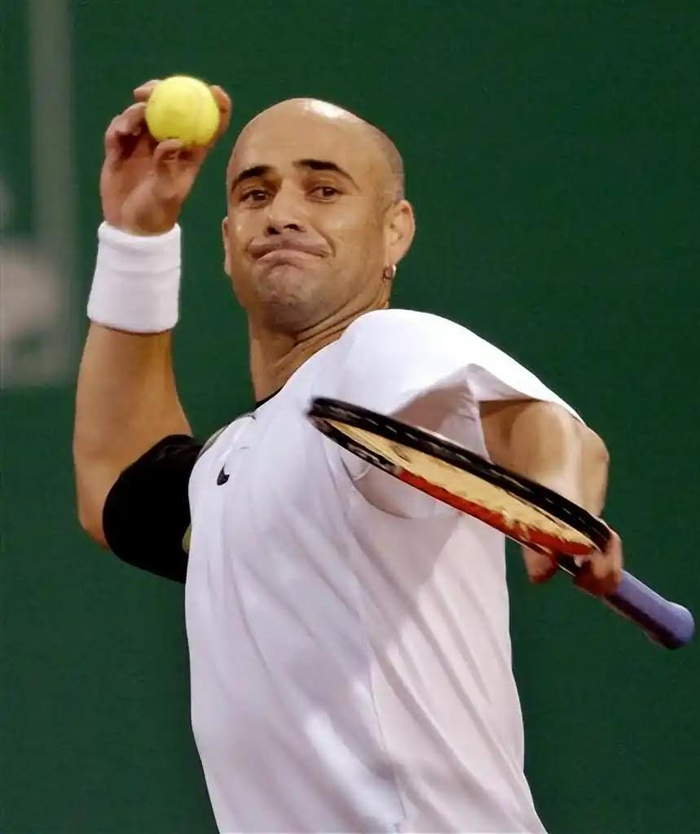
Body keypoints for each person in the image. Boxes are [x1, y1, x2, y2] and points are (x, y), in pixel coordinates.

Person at [73, 80, 623, 834]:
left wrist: (557, 504)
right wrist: (137, 237)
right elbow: (117, 481)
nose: (283, 213)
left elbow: (537, 424)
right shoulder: (235, 465)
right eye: (256, 194)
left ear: (395, 231)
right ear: (228, 243)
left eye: (324, 189)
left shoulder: (382, 351)